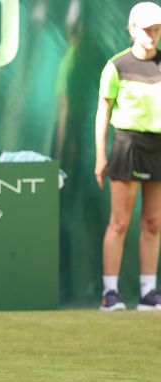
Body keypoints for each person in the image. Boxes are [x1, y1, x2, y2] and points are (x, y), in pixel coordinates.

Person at [95, 2, 161, 311]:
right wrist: (99, 157)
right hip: (126, 145)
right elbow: (102, 113)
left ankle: (149, 294)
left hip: (157, 147)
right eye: (147, 29)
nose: (152, 35)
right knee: (119, 222)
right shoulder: (116, 65)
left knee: (153, 222)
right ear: (133, 29)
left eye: (157, 29)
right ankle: (110, 294)